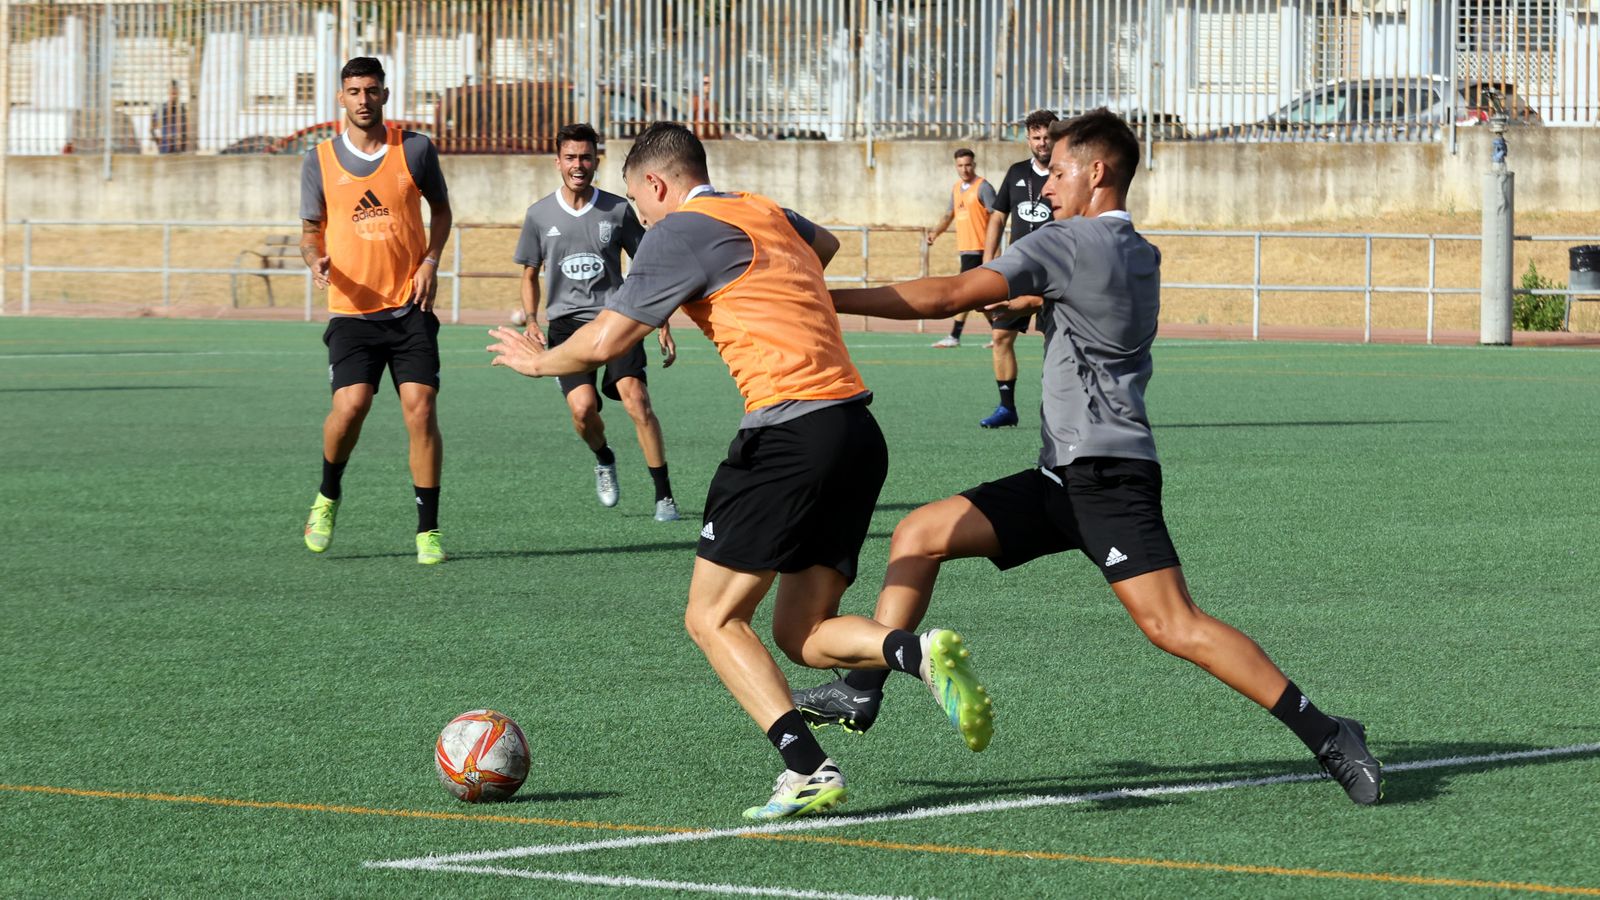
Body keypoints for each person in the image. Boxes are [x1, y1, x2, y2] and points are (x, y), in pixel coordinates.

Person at [793, 109, 1383, 806]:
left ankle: (1327, 732)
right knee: (920, 534)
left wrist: (817, 301)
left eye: (1060, 172)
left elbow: (951, 293)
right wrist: (1030, 301)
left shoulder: (1069, 240)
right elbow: (1069, 304)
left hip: (1103, 477)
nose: (1045, 188)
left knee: (1175, 625)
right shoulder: (1139, 250)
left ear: (1097, 172)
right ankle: (863, 691)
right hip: (1061, 475)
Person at [487, 122, 994, 820]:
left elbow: (607, 337)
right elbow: (824, 246)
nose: (642, 220)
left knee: (711, 616)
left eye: (640, 203)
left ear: (657, 185)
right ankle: (913, 652)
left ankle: (808, 768)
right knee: (800, 633)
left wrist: (537, 360)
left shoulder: (678, 229)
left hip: (787, 435)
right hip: (855, 431)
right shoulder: (762, 208)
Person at [299, 57, 453, 565]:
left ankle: (427, 531)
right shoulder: (318, 160)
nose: (363, 99)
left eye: (371, 90)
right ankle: (327, 495)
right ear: (340, 98)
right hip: (351, 312)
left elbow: (442, 211)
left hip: (410, 308)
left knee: (421, 409)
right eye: (353, 90)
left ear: (385, 94)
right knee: (351, 407)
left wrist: (431, 260)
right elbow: (308, 232)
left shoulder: (414, 148)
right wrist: (313, 258)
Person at [514, 122, 680, 521]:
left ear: (596, 162)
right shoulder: (539, 215)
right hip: (567, 329)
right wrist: (533, 321)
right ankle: (604, 458)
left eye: (586, 157)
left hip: (617, 319)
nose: (578, 164)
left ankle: (664, 496)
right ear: (558, 162)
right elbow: (528, 273)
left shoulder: (617, 209)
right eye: (571, 157)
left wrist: (662, 320)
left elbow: (647, 263)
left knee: (636, 400)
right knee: (584, 411)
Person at [976, 108, 1057, 428]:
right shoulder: (1016, 172)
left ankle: (1060, 408)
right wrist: (988, 260)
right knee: (1001, 337)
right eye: (1036, 137)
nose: (1042, 143)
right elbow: (998, 216)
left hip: (1056, 273)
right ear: (1028, 138)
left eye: (1047, 137)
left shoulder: (1067, 174)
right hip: (1020, 271)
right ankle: (1006, 408)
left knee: (1058, 345)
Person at [924, 148, 994, 348]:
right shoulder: (956, 188)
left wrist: (994, 249)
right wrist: (935, 233)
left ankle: (955, 335)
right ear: (956, 166)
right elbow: (948, 215)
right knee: (977, 297)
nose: (965, 169)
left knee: (966, 295)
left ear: (974, 164)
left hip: (980, 249)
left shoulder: (983, 187)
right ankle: (998, 332)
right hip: (966, 249)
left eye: (968, 165)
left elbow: (997, 216)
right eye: (961, 166)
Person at [151, 80, 189, 154]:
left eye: (176, 88)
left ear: (179, 91)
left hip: (180, 152)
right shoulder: (161, 109)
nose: (174, 89)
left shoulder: (183, 110)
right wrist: (159, 145)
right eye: (172, 88)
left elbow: (187, 130)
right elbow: (153, 128)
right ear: (168, 91)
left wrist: (184, 145)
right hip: (165, 150)